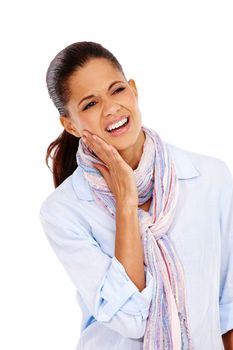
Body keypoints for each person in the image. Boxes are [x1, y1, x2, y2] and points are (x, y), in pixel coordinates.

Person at [39, 41, 233, 350]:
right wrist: (126, 204)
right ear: (70, 125)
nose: (111, 108)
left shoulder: (210, 177)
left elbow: (229, 307)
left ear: (133, 90)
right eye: (90, 104)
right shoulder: (63, 211)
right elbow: (131, 320)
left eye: (117, 90)